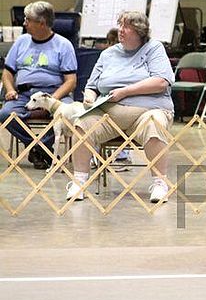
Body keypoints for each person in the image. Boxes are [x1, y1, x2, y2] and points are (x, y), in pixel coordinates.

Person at [65, 11, 175, 203]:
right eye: (120, 25)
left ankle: (160, 184)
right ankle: (79, 182)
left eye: (126, 26)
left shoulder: (154, 48)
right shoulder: (108, 54)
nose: (120, 30)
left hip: (147, 111)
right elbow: (91, 86)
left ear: (140, 31)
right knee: (82, 124)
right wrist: (89, 97)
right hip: (109, 113)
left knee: (155, 123)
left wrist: (125, 92)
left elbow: (160, 82)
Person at [0, 1, 77, 169]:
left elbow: (71, 81)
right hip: (24, 94)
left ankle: (39, 151)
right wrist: (11, 89)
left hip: (54, 93)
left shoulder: (64, 45)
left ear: (42, 23)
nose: (24, 23)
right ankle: (41, 148)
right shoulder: (21, 41)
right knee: (5, 113)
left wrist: (50, 101)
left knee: (69, 114)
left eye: (28, 20)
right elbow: (7, 73)